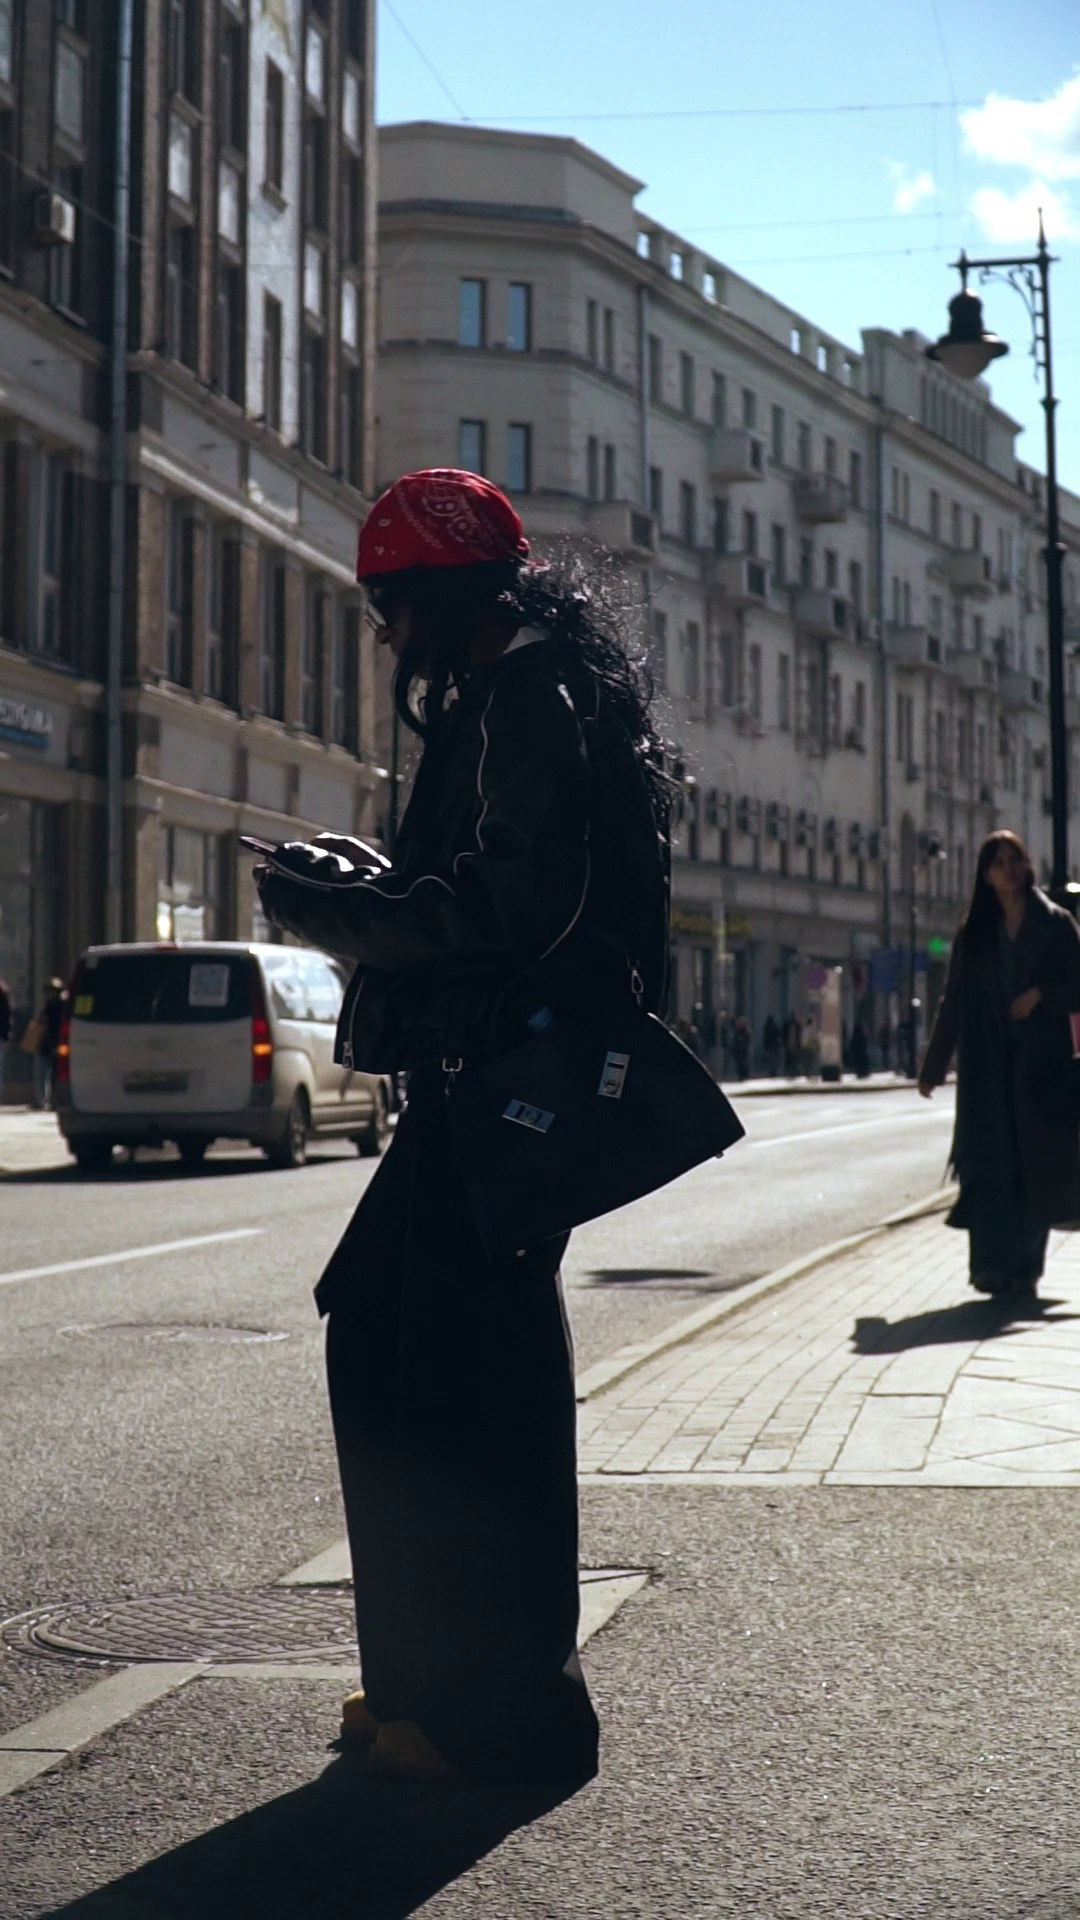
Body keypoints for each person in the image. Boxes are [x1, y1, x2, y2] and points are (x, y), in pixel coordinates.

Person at [255, 468, 672, 1786]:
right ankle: (429, 1682)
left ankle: (501, 1712)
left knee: (466, 1390)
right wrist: (369, 886)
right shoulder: (515, 692)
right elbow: (492, 887)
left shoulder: (534, 697)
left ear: (440, 595)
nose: (386, 636)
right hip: (482, 1085)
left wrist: (349, 920)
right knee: (393, 1343)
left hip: (511, 1094)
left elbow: (516, 909)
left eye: (391, 608)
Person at [919, 830, 1080, 1297]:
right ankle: (988, 1264)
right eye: (998, 863)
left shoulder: (1057, 925)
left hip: (1041, 1068)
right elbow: (953, 1003)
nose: (1009, 868)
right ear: (986, 877)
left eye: (1015, 859)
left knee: (1036, 1169)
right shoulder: (975, 934)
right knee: (989, 1166)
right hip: (987, 1070)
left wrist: (1041, 995)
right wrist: (933, 1067)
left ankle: (1025, 1266)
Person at [33, 978, 66, 1110]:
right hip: (54, 1043)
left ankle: (46, 1100)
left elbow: (42, 1022)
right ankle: (50, 1100)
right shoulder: (63, 1005)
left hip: (50, 1043)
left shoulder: (53, 1005)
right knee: (50, 1073)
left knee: (46, 1072)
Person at [733, 1013, 752, 1080]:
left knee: (744, 1063)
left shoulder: (746, 1032)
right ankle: (741, 1075)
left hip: (743, 1051)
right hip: (738, 1051)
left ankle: (744, 1074)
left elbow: (748, 1041)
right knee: (739, 1063)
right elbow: (735, 1041)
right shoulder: (737, 1032)